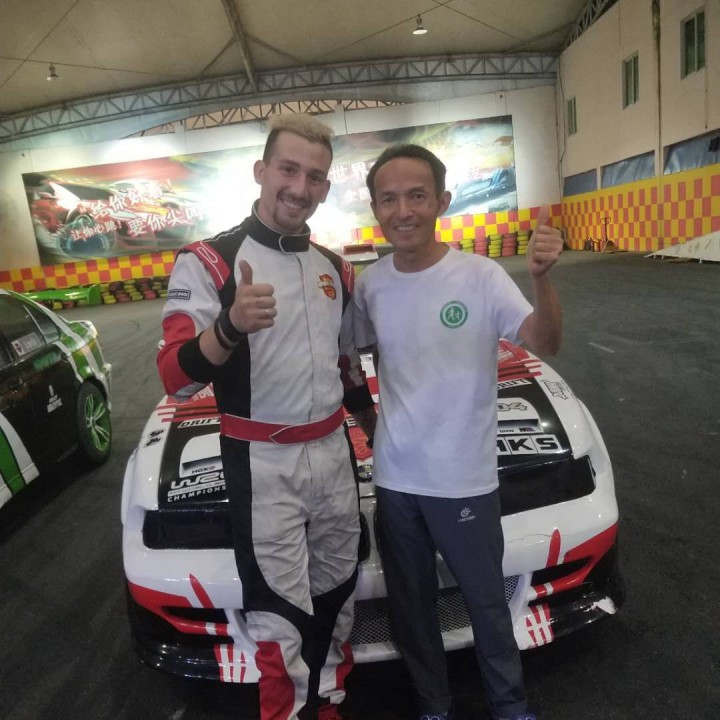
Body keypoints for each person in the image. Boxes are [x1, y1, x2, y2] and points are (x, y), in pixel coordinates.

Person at [157, 114, 377, 720]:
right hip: (260, 462)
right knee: (279, 615)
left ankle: (327, 707)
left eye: (315, 176)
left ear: (326, 186)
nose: (300, 188)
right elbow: (175, 377)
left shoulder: (335, 267)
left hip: (333, 453)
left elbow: (347, 370)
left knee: (338, 595)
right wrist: (229, 327)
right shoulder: (209, 261)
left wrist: (377, 434)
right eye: (288, 169)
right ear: (260, 171)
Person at [352, 144, 563, 720]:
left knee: (486, 604)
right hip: (396, 482)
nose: (403, 211)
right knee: (412, 607)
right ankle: (434, 706)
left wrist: (542, 280)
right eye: (389, 199)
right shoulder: (370, 286)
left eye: (417, 196)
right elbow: (352, 357)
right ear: (375, 209)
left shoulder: (480, 276)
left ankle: (509, 705)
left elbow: (544, 342)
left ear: (442, 201)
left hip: (464, 481)